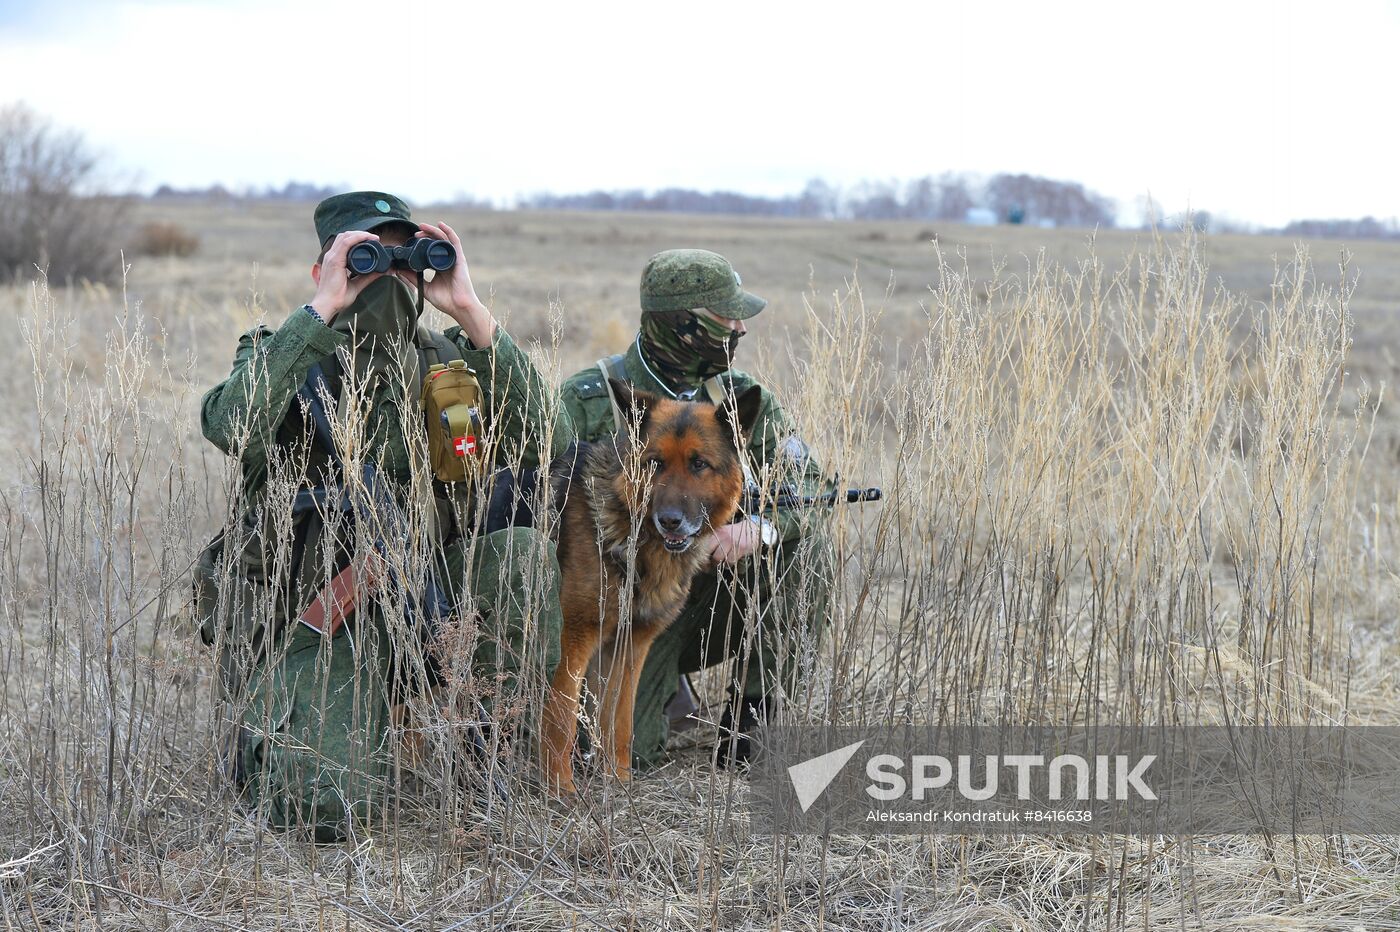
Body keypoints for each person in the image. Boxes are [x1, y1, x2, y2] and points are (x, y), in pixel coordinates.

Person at [198, 191, 570, 841]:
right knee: (322, 811)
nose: (389, 276)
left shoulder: (446, 362)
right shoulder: (283, 354)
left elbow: (551, 441)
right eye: (367, 257)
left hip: (430, 603)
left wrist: (471, 312)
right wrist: (321, 311)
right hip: (319, 617)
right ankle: (293, 720)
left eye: (405, 260)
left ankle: (490, 743)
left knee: (519, 553)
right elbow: (231, 424)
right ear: (325, 269)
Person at [558, 248, 833, 771]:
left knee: (806, 546)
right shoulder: (592, 398)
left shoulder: (742, 400)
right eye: (724, 318)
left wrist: (758, 529)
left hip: (712, 586)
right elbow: (537, 502)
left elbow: (810, 486)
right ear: (681, 325)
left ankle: (756, 721)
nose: (737, 329)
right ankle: (658, 689)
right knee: (622, 752)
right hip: (615, 605)